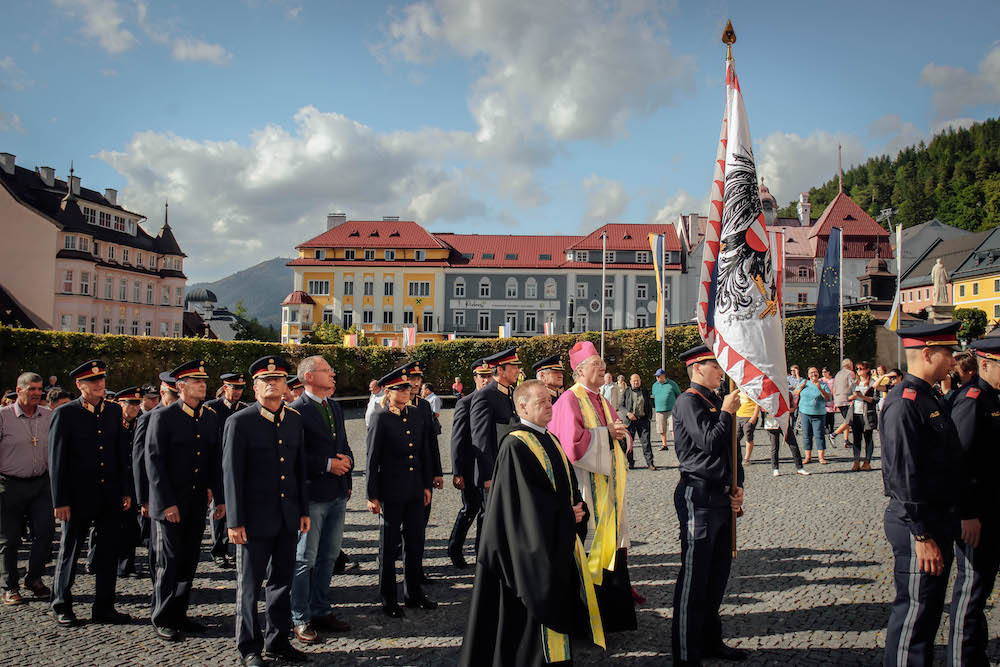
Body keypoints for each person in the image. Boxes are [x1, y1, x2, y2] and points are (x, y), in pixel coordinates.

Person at [459, 379, 604, 666]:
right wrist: (565, 516)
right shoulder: (515, 445)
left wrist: (578, 507)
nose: (549, 405)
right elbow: (522, 506)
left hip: (554, 539)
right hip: (528, 550)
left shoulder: (548, 437)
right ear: (522, 406)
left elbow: (565, 483)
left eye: (550, 400)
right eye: (541, 402)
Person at [881, 321, 964, 667]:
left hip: (935, 519)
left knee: (928, 616)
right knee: (914, 616)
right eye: (948, 354)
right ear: (927, 354)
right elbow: (903, 473)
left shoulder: (930, 396)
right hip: (918, 522)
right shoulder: (905, 402)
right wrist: (922, 532)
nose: (953, 362)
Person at [223, 356, 311, 667]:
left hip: (287, 517)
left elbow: (299, 469)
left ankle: (277, 641)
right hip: (253, 521)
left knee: (282, 583)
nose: (273, 384)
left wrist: (302, 510)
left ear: (287, 386)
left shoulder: (294, 419)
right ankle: (249, 647)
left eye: (278, 379)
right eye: (266, 380)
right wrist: (234, 520)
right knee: (249, 586)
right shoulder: (240, 422)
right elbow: (231, 474)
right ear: (255, 387)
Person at [549, 340, 636, 633]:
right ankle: (589, 620)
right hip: (585, 486)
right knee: (590, 548)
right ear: (580, 370)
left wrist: (620, 435)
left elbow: (615, 434)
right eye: (596, 364)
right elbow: (570, 446)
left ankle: (615, 616)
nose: (603, 368)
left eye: (602, 363)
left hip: (607, 486)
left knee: (614, 543)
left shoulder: (601, 397)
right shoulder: (570, 400)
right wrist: (605, 433)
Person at [670, 345, 748, 666]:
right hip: (697, 496)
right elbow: (709, 441)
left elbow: (731, 450)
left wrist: (738, 484)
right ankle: (686, 655)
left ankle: (710, 641)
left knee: (717, 576)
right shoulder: (688, 401)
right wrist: (727, 412)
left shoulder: (715, 400)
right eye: (715, 365)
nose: (721, 371)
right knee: (694, 577)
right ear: (697, 367)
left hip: (720, 495)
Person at [48, 360, 132, 627]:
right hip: (77, 496)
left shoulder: (114, 411)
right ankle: (61, 604)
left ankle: (104, 606)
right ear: (79, 385)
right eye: (93, 381)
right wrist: (59, 500)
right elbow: (57, 461)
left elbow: (121, 455)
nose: (99, 384)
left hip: (108, 494)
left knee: (107, 553)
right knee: (70, 551)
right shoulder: (66, 413)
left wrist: (125, 491)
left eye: (102, 380)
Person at [146, 360, 225, 642]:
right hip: (171, 502)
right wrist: (166, 503)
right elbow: (154, 464)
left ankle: (180, 613)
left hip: (196, 499)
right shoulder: (163, 417)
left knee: (189, 560)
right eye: (195, 381)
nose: (202, 385)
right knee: (168, 561)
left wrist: (219, 496)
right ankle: (162, 616)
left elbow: (214, 460)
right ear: (180, 387)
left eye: (204, 381)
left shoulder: (209, 417)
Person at [288, 356, 353, 644]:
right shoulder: (297, 410)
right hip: (313, 494)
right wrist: (327, 464)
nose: (333, 374)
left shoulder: (334, 406)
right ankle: (299, 617)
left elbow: (343, 443)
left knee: (329, 557)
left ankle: (320, 608)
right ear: (310, 377)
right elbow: (295, 456)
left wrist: (347, 463)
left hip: (337, 492)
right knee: (305, 558)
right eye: (328, 370)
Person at [366, 365, 437, 619]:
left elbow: (423, 452)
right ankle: (388, 598)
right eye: (401, 388)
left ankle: (414, 593)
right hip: (391, 491)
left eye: (408, 387)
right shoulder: (380, 417)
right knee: (389, 546)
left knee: (415, 543)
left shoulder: (417, 414)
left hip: (416, 489)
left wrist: (427, 484)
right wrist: (372, 495)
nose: (407, 391)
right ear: (389, 391)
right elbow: (372, 459)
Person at [948, 337, 1000, 666]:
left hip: (996, 510)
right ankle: (964, 660)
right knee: (972, 592)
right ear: (985, 364)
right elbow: (959, 461)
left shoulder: (994, 397)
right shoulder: (972, 399)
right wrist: (966, 514)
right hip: (977, 515)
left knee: (981, 590)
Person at [0, 372, 54, 605]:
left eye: (39, 389)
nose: (37, 393)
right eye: (31, 389)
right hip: (9, 484)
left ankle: (33, 578)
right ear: (19, 389)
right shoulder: (3, 417)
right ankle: (10, 586)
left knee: (45, 533)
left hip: (41, 483)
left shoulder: (48, 416)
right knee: (9, 540)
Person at [448, 358, 494, 568]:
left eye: (489, 375)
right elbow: (457, 439)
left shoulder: (495, 400)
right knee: (470, 509)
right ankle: (455, 548)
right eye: (482, 376)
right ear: (474, 378)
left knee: (487, 512)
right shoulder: (465, 403)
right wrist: (457, 471)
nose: (486, 380)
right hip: (469, 468)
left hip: (489, 468)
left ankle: (480, 554)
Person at [134, 372, 178, 580]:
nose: (177, 400)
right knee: (157, 544)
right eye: (173, 395)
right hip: (156, 493)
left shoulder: (183, 416)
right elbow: (141, 461)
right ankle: (157, 581)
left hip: (180, 491)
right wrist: (143, 498)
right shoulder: (148, 418)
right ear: (163, 393)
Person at [204, 373, 248, 568]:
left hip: (238, 466)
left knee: (237, 508)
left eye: (240, 388)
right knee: (218, 510)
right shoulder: (211, 408)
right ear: (225, 387)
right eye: (233, 387)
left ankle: (232, 547)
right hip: (218, 466)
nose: (237, 392)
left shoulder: (245, 410)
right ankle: (218, 550)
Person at [470, 348, 520, 499]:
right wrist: (487, 475)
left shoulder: (512, 392)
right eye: (514, 367)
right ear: (501, 370)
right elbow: (481, 438)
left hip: (511, 466)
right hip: (496, 472)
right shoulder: (485, 396)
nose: (518, 370)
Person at [113, 387, 142, 578]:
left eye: (137, 404)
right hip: (115, 482)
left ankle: (126, 565)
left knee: (131, 528)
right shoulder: (113, 425)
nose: (135, 408)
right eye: (130, 403)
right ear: (120, 404)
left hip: (133, 483)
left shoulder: (140, 424)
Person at [796, 367, 832, 465]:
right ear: (808, 375)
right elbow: (795, 393)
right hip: (805, 412)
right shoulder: (804, 382)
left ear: (818, 374)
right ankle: (808, 457)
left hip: (819, 414)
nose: (813, 374)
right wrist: (800, 388)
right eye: (811, 373)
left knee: (819, 435)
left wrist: (820, 388)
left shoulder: (823, 385)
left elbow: (828, 398)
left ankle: (821, 457)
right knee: (806, 436)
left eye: (815, 372)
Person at [847, 362, 878, 472]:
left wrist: (862, 396)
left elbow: (874, 400)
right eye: (857, 369)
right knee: (856, 438)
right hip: (856, 413)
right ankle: (856, 461)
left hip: (867, 413)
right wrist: (854, 396)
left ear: (867, 369)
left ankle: (867, 461)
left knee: (868, 438)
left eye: (861, 368)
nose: (859, 370)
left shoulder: (873, 383)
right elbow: (848, 397)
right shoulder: (854, 383)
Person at [621, 373, 653, 469]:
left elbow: (649, 404)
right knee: (629, 443)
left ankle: (650, 463)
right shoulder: (626, 392)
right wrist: (628, 413)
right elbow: (621, 406)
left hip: (643, 420)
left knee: (646, 442)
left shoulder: (645, 391)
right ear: (630, 382)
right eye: (634, 380)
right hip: (630, 421)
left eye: (638, 380)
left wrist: (649, 417)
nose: (636, 382)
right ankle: (630, 463)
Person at [763, 410, 808, 477]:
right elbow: (762, 407)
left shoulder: (786, 398)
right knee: (774, 446)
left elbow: (792, 407)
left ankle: (800, 468)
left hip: (784, 420)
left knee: (793, 445)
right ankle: (775, 468)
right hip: (771, 421)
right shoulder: (767, 398)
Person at [652, 368, 681, 451]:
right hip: (659, 410)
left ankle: (677, 444)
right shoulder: (655, 385)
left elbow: (678, 394)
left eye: (659, 376)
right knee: (661, 428)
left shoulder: (672, 384)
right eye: (656, 376)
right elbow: (654, 395)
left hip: (671, 410)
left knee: (673, 428)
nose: (657, 378)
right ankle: (664, 444)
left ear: (663, 376)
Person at [734, 391, 758, 465]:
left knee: (748, 436)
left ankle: (747, 458)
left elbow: (758, 403)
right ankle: (734, 455)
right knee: (736, 437)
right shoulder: (738, 389)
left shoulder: (752, 390)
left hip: (749, 415)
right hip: (739, 415)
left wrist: (754, 417)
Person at [833, 359, 856, 426]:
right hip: (847, 399)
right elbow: (851, 384)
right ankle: (834, 434)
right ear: (850, 365)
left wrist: (835, 400)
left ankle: (842, 435)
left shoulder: (838, 374)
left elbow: (834, 387)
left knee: (847, 420)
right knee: (851, 421)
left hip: (838, 399)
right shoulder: (850, 373)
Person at [820, 368, 836, 437]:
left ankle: (831, 427)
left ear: (828, 372)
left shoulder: (833, 380)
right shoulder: (821, 380)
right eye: (822, 372)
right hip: (823, 398)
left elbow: (835, 389)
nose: (824, 373)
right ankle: (826, 427)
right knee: (825, 413)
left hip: (831, 398)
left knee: (831, 413)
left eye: (825, 372)